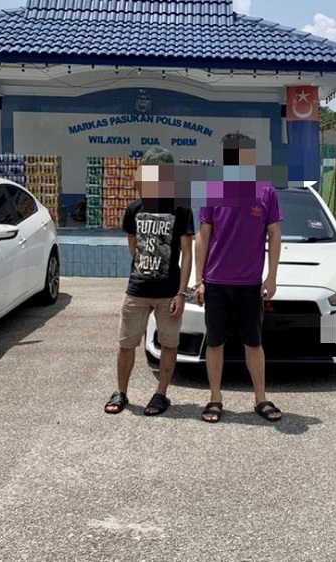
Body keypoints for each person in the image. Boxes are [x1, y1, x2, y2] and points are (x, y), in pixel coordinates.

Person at [194, 133, 283, 423]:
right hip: (217, 281)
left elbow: (274, 235)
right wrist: (200, 280)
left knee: (253, 343)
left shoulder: (266, 191)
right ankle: (215, 398)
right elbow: (203, 236)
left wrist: (271, 278)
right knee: (215, 342)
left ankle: (261, 398)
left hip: (250, 285)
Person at [105, 147, 194, 416]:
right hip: (137, 289)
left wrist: (182, 292)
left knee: (169, 343)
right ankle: (121, 391)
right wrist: (147, 267)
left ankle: (161, 394)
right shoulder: (135, 208)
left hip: (169, 291)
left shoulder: (181, 208)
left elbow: (187, 252)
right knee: (126, 343)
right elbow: (133, 246)